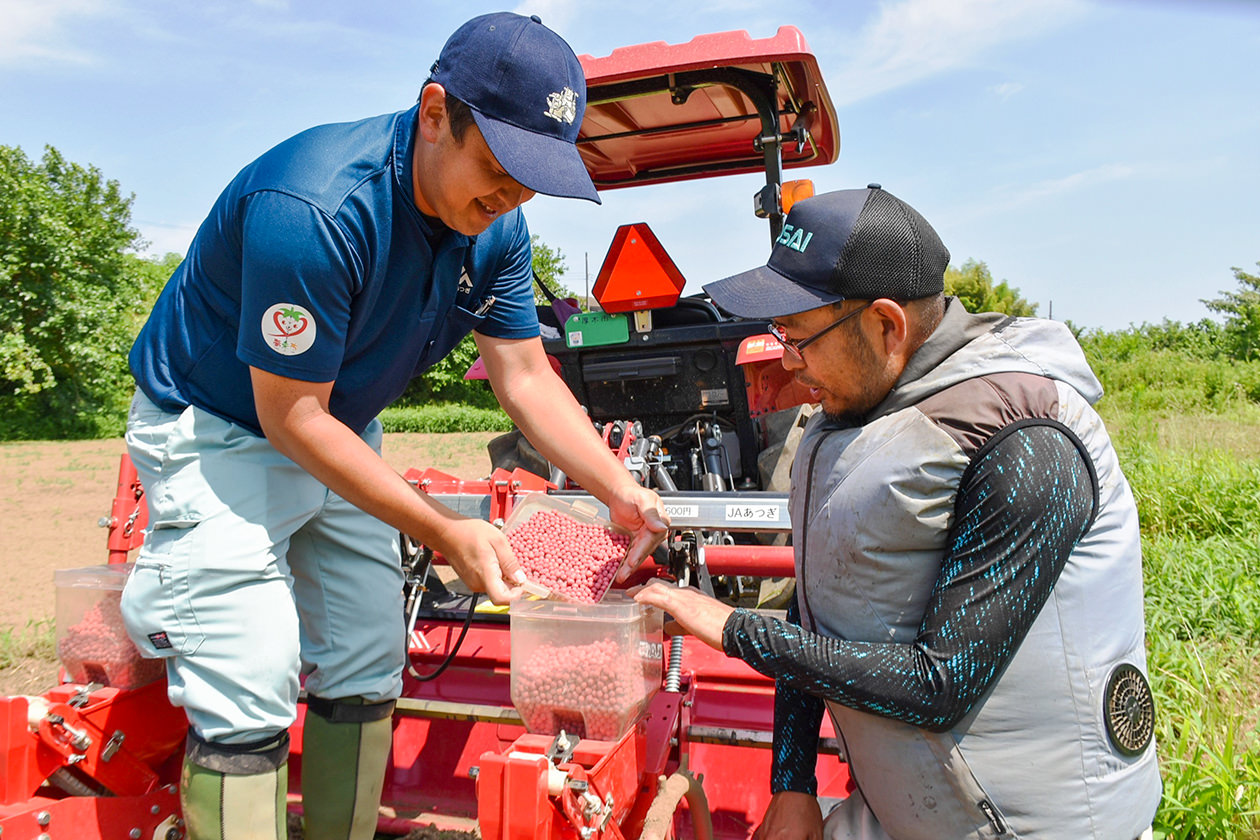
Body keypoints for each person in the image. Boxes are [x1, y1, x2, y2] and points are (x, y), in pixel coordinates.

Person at [121, 13, 667, 840]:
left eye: (531, 181)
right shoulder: (315, 209)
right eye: (499, 168)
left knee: (368, 658)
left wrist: (617, 487)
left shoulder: (495, 229)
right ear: (436, 111)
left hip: (339, 426)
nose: (511, 197)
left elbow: (523, 376)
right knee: (248, 676)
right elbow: (288, 414)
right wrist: (448, 531)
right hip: (223, 431)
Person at [635, 185, 1160, 839]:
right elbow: (816, 602)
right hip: (911, 810)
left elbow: (942, 684)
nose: (790, 364)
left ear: (886, 326)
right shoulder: (859, 416)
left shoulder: (1028, 440)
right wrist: (792, 783)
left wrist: (733, 629)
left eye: (800, 339)